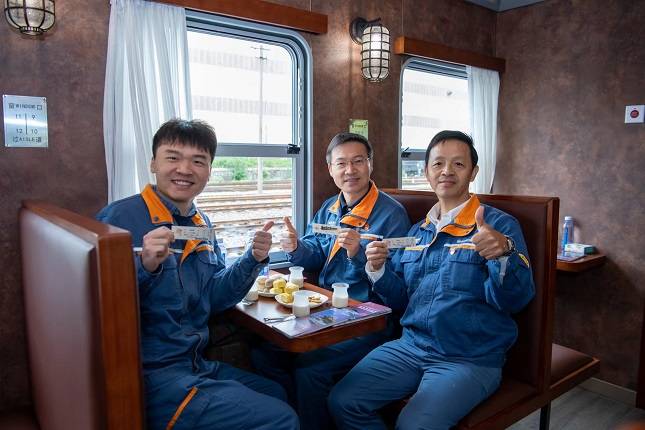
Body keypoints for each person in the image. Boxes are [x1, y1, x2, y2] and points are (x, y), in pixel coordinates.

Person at [97, 119, 298, 430]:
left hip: (195, 363)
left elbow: (215, 297)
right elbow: (98, 307)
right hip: (152, 377)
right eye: (173, 157)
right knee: (282, 419)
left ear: (209, 171)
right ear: (153, 163)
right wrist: (145, 266)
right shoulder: (120, 217)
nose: (184, 169)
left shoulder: (201, 223)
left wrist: (253, 259)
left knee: (276, 392)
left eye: (198, 161)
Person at [328, 130, 536, 430]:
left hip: (469, 357)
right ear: (426, 172)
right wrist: (378, 269)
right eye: (438, 163)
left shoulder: (499, 226)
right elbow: (401, 300)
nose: (447, 171)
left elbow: (515, 300)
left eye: (458, 164)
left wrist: (504, 254)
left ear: (473, 172)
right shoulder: (416, 233)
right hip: (411, 346)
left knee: (412, 425)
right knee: (343, 401)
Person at [251, 132, 411, 430]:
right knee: (265, 354)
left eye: (358, 161)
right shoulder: (329, 208)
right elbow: (314, 253)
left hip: (368, 318)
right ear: (330, 169)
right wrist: (295, 247)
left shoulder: (392, 214)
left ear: (371, 164)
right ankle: (296, 417)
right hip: (327, 310)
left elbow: (398, 286)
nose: (350, 170)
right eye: (341, 163)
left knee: (309, 369)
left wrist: (358, 254)